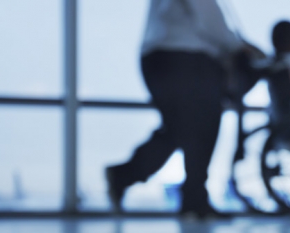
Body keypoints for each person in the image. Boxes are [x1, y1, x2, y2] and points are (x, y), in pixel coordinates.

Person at [105, 0, 254, 217]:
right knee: (203, 127)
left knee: (179, 131)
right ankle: (194, 199)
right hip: (184, 58)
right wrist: (239, 46)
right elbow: (209, 18)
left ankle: (124, 176)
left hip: (158, 58)